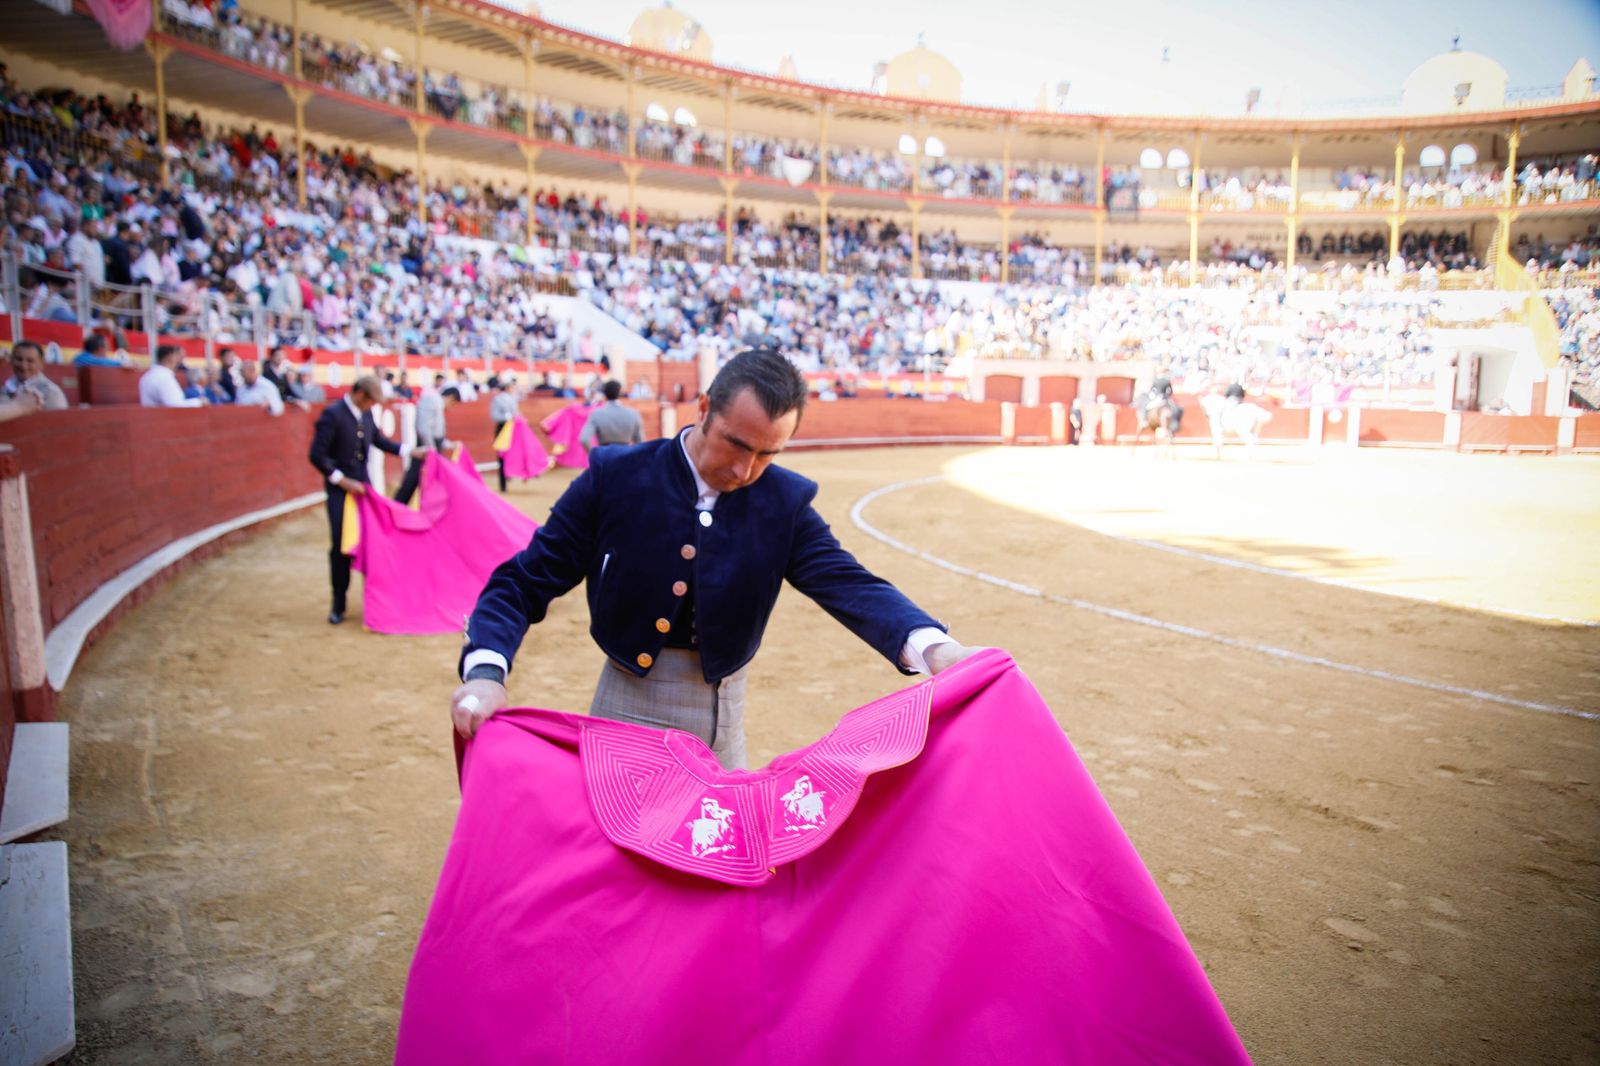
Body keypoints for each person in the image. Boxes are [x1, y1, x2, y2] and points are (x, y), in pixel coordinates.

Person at [451, 349, 981, 769]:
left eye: (768, 453)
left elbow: (849, 583)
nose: (747, 469)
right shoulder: (616, 478)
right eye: (736, 444)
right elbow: (522, 583)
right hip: (625, 707)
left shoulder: (783, 502)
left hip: (722, 720)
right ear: (703, 408)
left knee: (718, 880)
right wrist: (486, 669)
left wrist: (933, 647)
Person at [308, 375, 426, 624]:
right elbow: (317, 455)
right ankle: (338, 604)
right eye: (372, 401)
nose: (373, 406)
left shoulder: (366, 414)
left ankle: (375, 600)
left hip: (364, 488)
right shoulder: (333, 414)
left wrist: (409, 451)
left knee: (374, 543)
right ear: (360, 394)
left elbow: (379, 441)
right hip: (342, 491)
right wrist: (341, 480)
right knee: (343, 545)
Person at [394, 386, 460, 505]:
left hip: (430, 449)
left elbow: (436, 433)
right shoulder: (430, 400)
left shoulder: (436, 403)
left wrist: (448, 445)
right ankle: (396, 508)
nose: (451, 407)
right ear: (452, 398)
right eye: (453, 404)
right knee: (412, 480)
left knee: (423, 483)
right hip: (425, 451)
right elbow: (423, 428)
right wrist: (431, 450)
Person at [577, 379, 644, 453]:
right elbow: (640, 442)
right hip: (625, 455)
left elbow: (584, 439)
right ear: (620, 393)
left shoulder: (597, 414)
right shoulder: (633, 413)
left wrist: (593, 455)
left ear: (604, 394)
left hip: (604, 456)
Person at [4, 341, 69, 410]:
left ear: (41, 363)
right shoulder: (6, 387)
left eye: (30, 361)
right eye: (19, 359)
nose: (23, 366)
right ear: (11, 360)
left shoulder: (51, 393)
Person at [139, 345, 205, 408]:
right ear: (170, 357)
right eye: (177, 356)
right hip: (162, 418)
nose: (179, 361)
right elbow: (175, 406)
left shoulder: (147, 376)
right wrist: (199, 402)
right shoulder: (164, 377)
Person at [488, 379, 518, 493]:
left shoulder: (512, 398)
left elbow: (516, 413)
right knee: (501, 456)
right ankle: (503, 483)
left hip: (511, 429)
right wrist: (507, 417)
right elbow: (494, 416)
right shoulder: (497, 399)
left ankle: (509, 474)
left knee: (511, 454)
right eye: (511, 387)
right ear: (506, 388)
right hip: (502, 428)